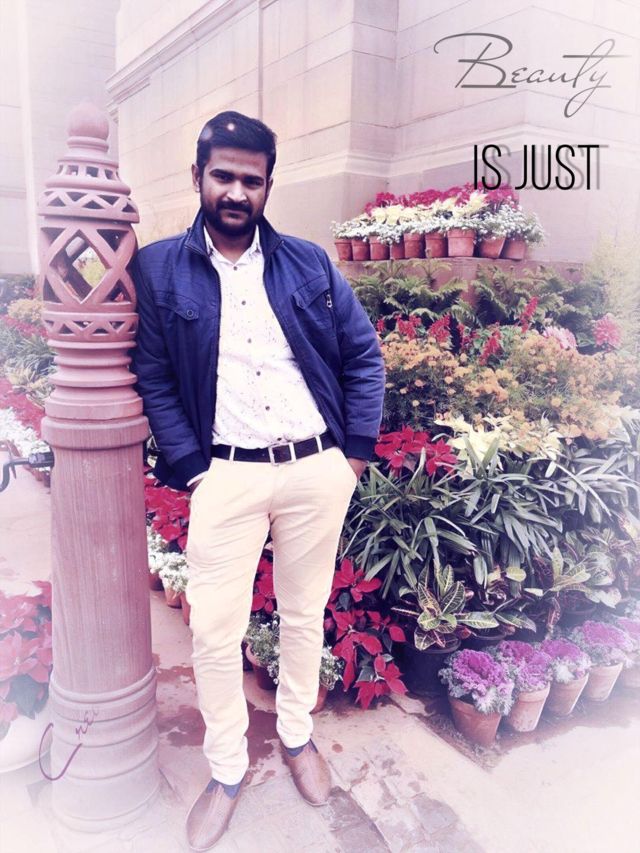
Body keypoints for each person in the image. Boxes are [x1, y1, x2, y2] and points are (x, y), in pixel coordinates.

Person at [130, 110, 385, 851]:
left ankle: (298, 737)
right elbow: (154, 376)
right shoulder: (160, 269)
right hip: (227, 476)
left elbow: (363, 357)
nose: (237, 192)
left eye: (252, 179)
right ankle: (226, 769)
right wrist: (194, 473)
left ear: (269, 184)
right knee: (215, 630)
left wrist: (352, 458)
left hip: (314, 469)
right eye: (224, 176)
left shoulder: (309, 264)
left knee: (304, 614)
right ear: (198, 178)